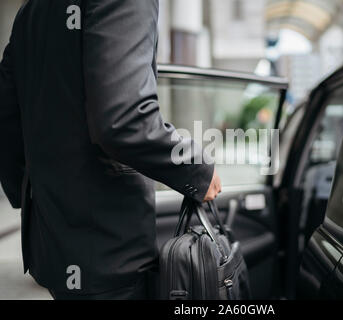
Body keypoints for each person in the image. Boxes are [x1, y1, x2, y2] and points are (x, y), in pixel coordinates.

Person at [0, 0, 221, 300]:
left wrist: (28, 197)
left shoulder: (32, 10)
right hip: (109, 251)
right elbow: (124, 118)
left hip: (54, 244)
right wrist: (197, 171)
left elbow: (6, 119)